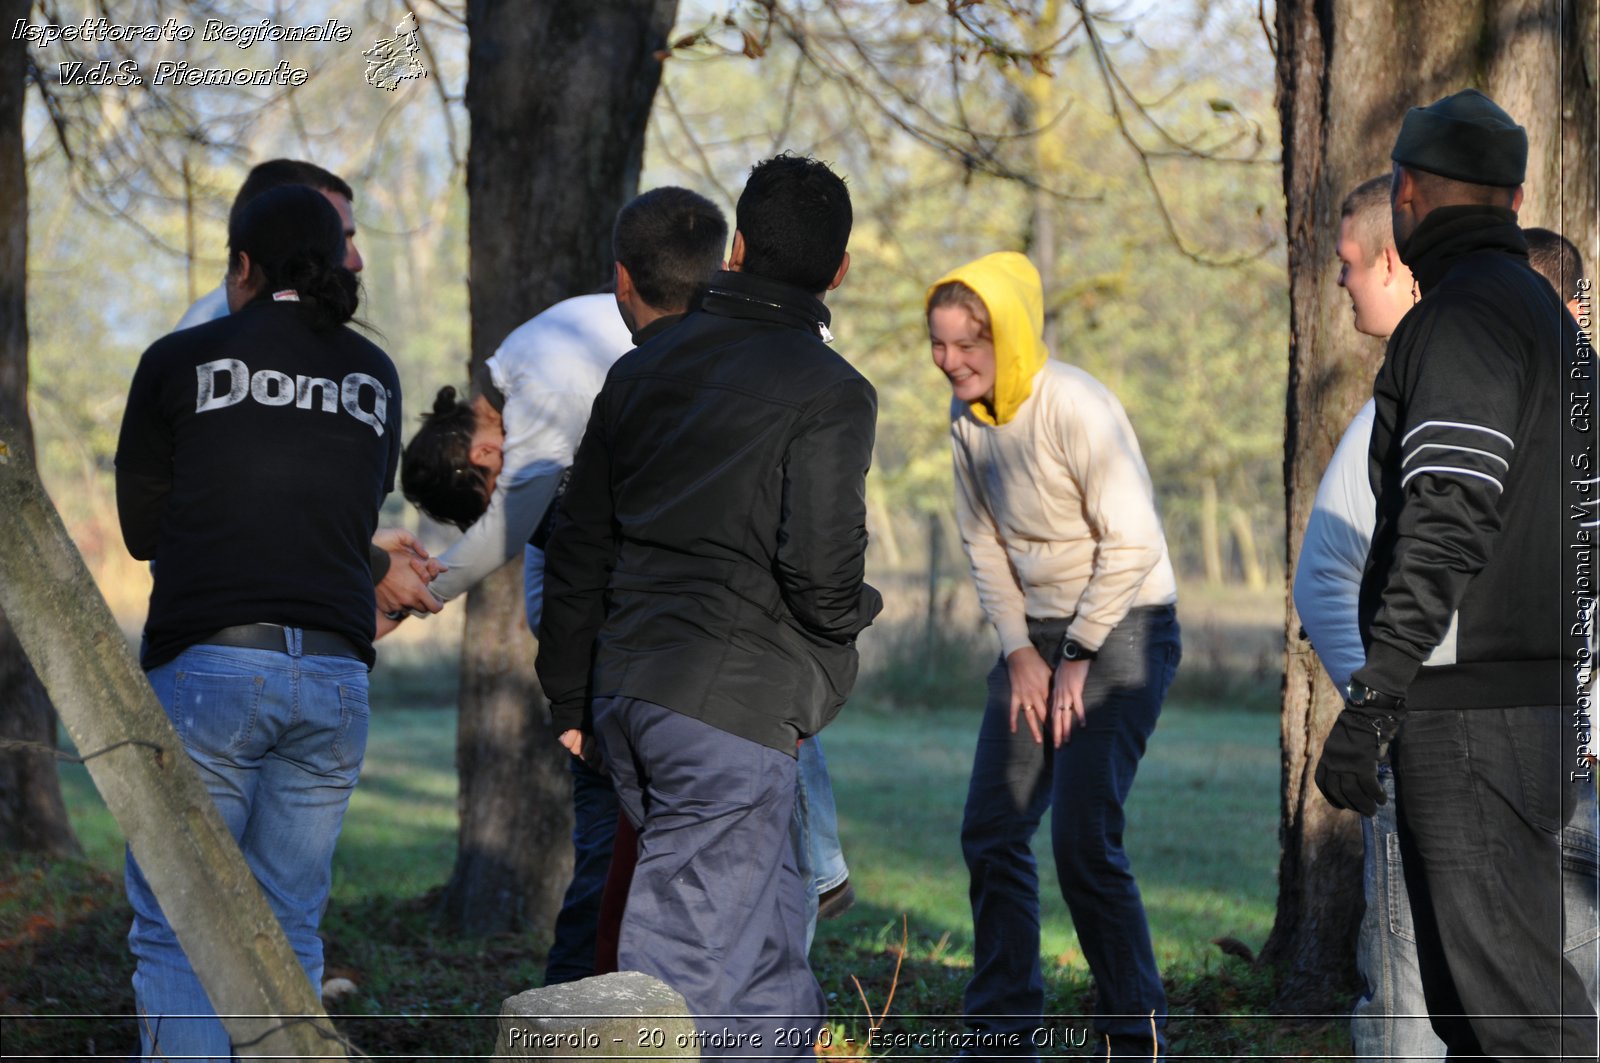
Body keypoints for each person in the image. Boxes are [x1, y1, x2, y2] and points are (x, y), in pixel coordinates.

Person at [536, 152, 880, 1056]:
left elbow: (580, 543)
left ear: (738, 249)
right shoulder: (832, 391)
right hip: (726, 710)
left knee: (768, 963)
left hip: (632, 698)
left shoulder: (644, 367)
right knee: (688, 977)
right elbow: (820, 572)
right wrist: (858, 607)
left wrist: (570, 695)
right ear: (839, 270)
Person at [1313, 88, 1598, 1058]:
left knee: (1513, 1022)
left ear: (1405, 195)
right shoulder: (1555, 326)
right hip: (1539, 703)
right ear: (1515, 199)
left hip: (1472, 718)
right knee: (1490, 1014)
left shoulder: (1462, 321)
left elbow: (1445, 516)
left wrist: (1374, 699)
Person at [114, 185, 401, 1060]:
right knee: (289, 929)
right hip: (335, 678)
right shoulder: (375, 376)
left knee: (182, 927)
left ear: (243, 265)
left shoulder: (178, 360)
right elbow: (347, 522)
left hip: (211, 667)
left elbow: (139, 532)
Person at [929, 251, 1180, 1059]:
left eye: (968, 343)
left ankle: (1131, 1036)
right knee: (993, 829)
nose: (951, 361)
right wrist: (1018, 652)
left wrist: (1074, 652)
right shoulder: (967, 420)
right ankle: (1003, 1032)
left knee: (1081, 839)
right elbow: (982, 543)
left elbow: (1134, 540)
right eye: (938, 345)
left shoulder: (1074, 405)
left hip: (1126, 625)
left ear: (1010, 335)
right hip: (1037, 640)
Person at [170, 156, 437, 624]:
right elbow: (241, 517)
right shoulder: (218, 341)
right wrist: (374, 565)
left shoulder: (320, 349)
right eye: (339, 236)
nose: (355, 259)